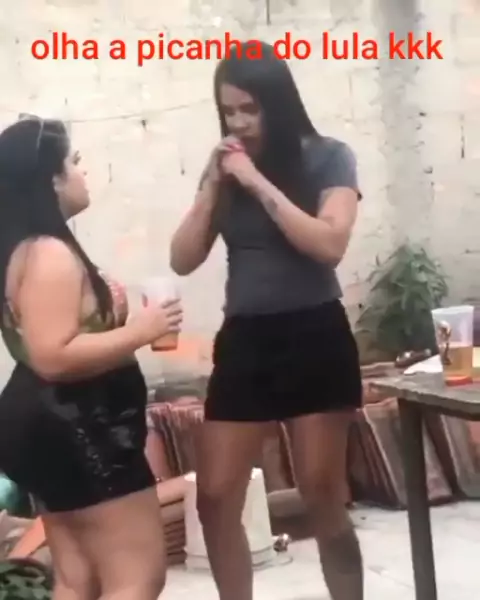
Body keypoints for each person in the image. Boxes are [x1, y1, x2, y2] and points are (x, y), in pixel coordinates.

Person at [170, 42, 363, 600]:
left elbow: (329, 244)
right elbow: (182, 258)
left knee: (322, 493)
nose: (237, 122)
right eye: (228, 110)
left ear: (278, 103)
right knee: (215, 496)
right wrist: (213, 186)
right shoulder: (225, 171)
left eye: (249, 109)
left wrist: (255, 181)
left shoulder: (329, 157)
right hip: (246, 341)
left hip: (314, 332)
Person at [0, 116, 182, 600]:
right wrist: (141, 331)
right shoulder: (48, 254)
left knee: (78, 578)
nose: (83, 172)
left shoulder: (22, 250)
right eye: (74, 162)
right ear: (51, 179)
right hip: (82, 426)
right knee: (136, 577)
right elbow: (52, 355)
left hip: (54, 423)